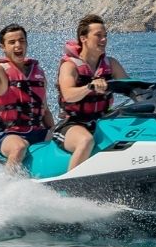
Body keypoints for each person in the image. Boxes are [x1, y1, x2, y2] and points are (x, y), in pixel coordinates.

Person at [0, 8, 54, 171]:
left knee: (66, 138)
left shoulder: (37, 73)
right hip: (9, 136)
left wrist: (54, 130)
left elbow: (44, 109)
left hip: (38, 131)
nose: (18, 45)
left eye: (22, 41)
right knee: (19, 147)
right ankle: (9, 186)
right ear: (3, 47)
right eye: (12, 42)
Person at [53, 13, 128, 170]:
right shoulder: (70, 66)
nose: (104, 39)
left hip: (102, 120)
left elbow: (130, 86)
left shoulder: (111, 64)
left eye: (105, 35)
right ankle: (70, 188)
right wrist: (89, 87)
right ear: (83, 38)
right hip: (73, 123)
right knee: (85, 141)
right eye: (98, 35)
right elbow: (68, 95)